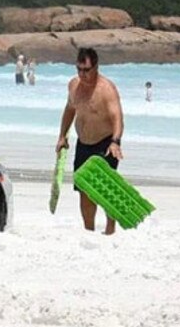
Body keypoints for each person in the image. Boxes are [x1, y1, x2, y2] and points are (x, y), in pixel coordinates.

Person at [55, 47, 124, 235]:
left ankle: (110, 229)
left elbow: (117, 118)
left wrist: (115, 141)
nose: (82, 74)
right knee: (84, 189)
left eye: (86, 70)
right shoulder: (73, 86)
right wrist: (62, 135)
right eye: (79, 69)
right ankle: (89, 230)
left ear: (96, 67)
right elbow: (70, 109)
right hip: (83, 143)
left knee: (106, 189)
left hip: (106, 143)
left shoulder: (106, 90)